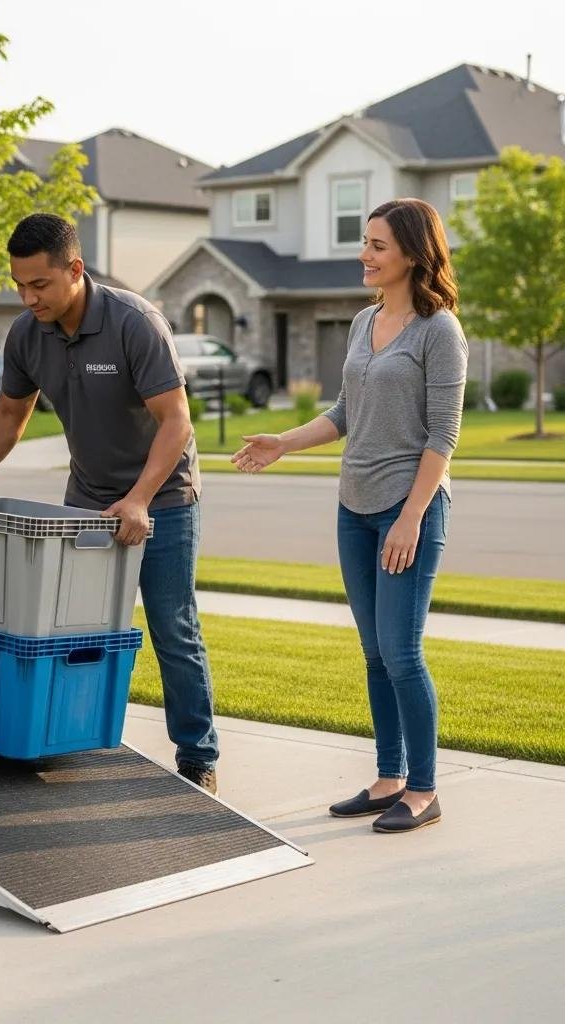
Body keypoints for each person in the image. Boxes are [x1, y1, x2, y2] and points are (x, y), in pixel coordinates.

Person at [0, 213, 219, 793]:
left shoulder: (135, 323)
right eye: (20, 285)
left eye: (39, 284)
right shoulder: (27, 333)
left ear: (75, 269)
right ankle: (66, 735)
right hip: (86, 498)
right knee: (72, 627)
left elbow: (177, 421)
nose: (28, 298)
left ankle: (198, 757)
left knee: (172, 628)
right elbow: (10, 415)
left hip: (162, 498)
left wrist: (139, 499)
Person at [231, 198, 467, 833]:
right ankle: (389, 778)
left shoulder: (439, 330)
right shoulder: (365, 322)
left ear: (414, 254)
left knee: (402, 652)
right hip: (354, 506)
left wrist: (412, 517)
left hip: (407, 509)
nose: (364, 255)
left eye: (378, 246)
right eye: (365, 242)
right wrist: (283, 443)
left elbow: (443, 437)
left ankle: (424, 789)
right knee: (373, 653)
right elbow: (343, 413)